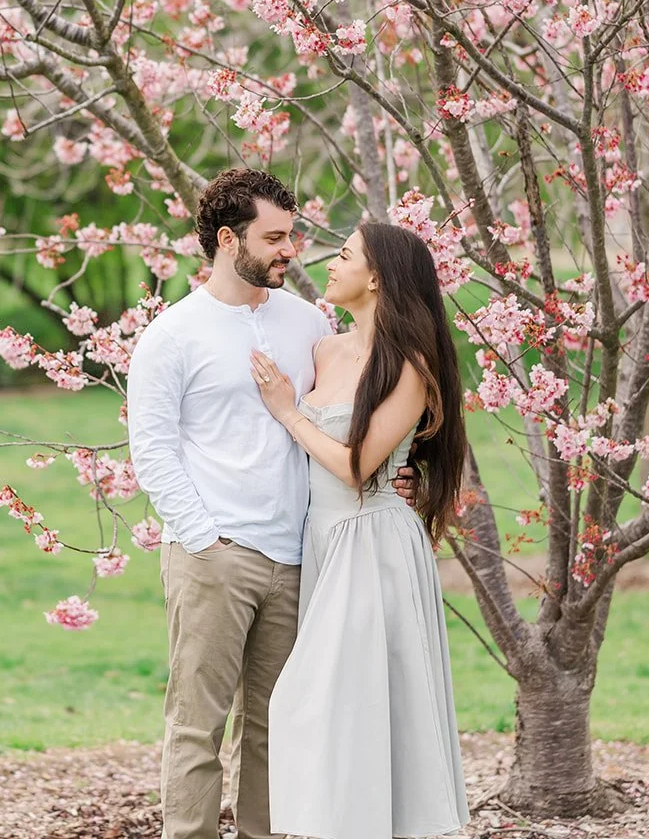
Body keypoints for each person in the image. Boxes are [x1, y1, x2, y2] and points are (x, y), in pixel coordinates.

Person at [127, 168, 418, 839]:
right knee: (198, 726)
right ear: (229, 240)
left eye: (294, 235)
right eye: (276, 237)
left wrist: (403, 476)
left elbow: (352, 420)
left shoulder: (308, 321)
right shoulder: (172, 337)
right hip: (216, 557)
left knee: (276, 726)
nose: (292, 251)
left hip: (301, 558)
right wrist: (204, 540)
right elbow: (154, 451)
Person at [249, 222, 470, 839]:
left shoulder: (410, 363)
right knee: (329, 707)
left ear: (375, 278)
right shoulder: (324, 351)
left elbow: (355, 466)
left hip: (372, 542)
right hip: (321, 539)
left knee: (351, 701)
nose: (328, 262)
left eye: (343, 255)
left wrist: (290, 411)